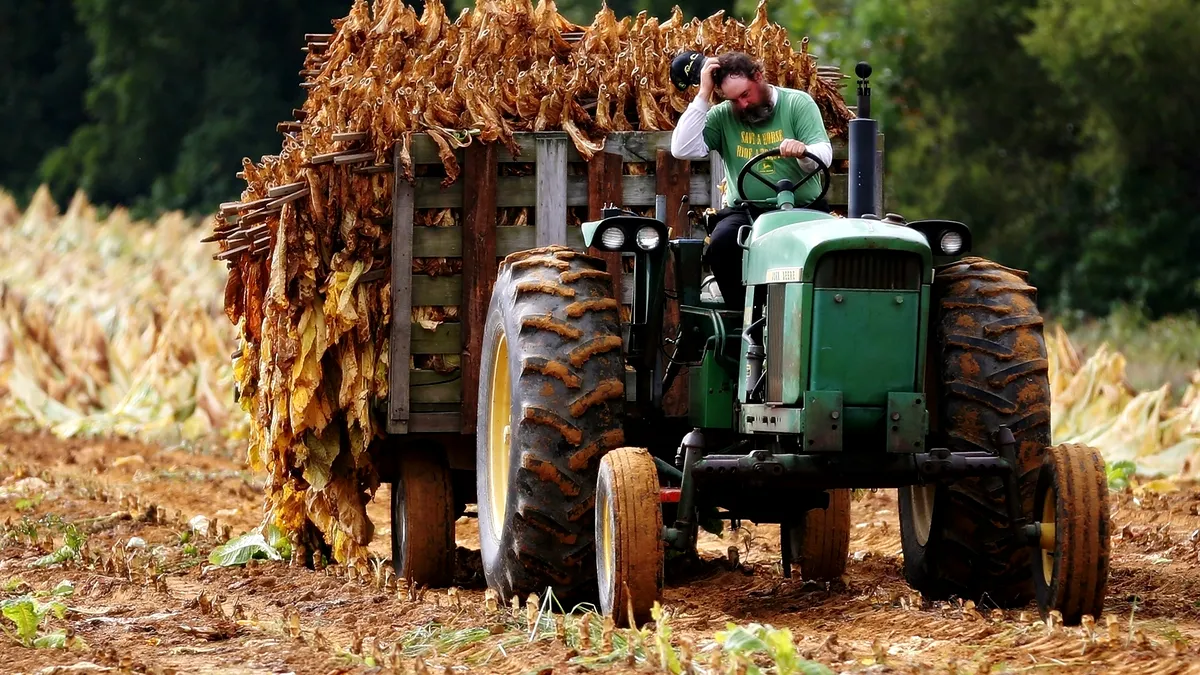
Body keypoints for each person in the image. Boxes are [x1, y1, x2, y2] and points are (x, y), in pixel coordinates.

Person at [669, 51, 833, 309]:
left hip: (803, 210)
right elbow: (682, 149)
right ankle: (744, 318)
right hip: (748, 212)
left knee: (828, 251)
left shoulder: (797, 104)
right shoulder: (724, 115)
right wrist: (703, 94)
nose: (743, 105)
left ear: (759, 77)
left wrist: (804, 152)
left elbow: (824, 154)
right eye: (734, 100)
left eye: (745, 94)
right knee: (722, 244)